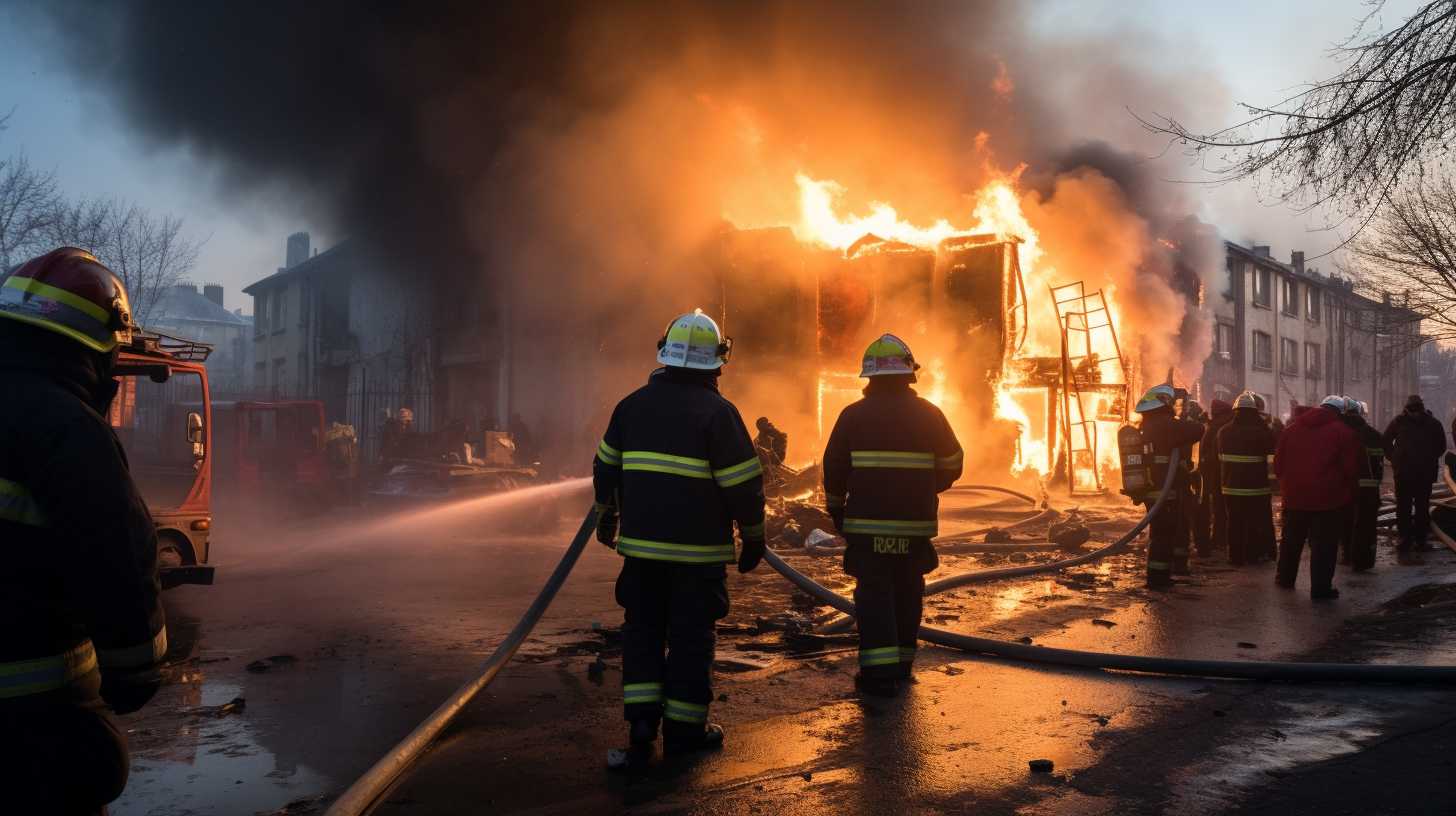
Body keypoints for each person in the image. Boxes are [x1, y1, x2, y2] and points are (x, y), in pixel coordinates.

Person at [0, 247, 168, 813]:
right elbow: (118, 554)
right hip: (32, 735)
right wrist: (135, 673)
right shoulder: (68, 429)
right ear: (97, 354)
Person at [592, 309, 765, 753]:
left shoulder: (631, 406)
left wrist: (606, 516)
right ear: (717, 362)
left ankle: (642, 727)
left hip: (643, 555)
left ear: (665, 354)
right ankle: (686, 732)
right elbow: (744, 485)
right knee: (691, 638)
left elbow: (604, 467)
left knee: (643, 631)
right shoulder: (720, 414)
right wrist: (754, 534)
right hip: (698, 558)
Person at [823, 334, 962, 695]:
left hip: (866, 528)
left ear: (869, 377)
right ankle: (902, 662)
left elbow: (834, 468)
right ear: (909, 375)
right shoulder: (930, 414)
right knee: (908, 589)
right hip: (914, 524)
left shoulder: (852, 415)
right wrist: (927, 487)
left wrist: (836, 508)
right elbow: (953, 462)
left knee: (873, 592)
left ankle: (876, 670)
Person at [1274, 395, 1362, 599]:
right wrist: (1348, 493)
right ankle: (1320, 589)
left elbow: (1279, 464)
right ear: (1339, 413)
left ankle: (1284, 579)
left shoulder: (1291, 430)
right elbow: (1350, 468)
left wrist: (1289, 485)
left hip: (1294, 497)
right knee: (1324, 545)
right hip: (1328, 500)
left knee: (1291, 541)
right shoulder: (1344, 433)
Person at [1134, 385, 1204, 589]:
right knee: (1163, 534)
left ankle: (1160, 575)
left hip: (1153, 488)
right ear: (1164, 405)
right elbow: (1197, 431)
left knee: (1161, 532)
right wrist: (1192, 419)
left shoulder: (1147, 424)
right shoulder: (1165, 424)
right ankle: (1158, 579)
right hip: (1163, 489)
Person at [1382, 394, 1447, 552]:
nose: (1415, 412)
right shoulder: (1430, 423)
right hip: (1415, 472)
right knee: (1413, 507)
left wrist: (1395, 458)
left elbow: (1385, 441)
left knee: (1412, 507)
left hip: (1412, 473)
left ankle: (1412, 539)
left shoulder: (1403, 422)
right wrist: (1395, 458)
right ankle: (1413, 540)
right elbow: (1442, 446)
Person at [1216, 393, 1274, 566]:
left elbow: (1220, 457)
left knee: (1234, 522)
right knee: (1255, 522)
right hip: (1258, 488)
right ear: (1254, 411)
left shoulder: (1223, 431)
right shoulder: (1264, 432)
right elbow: (1271, 458)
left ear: (1236, 410)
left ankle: (1235, 557)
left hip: (1231, 487)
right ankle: (1252, 555)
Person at [1340, 398, 1386, 572]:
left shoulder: (1339, 432)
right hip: (1369, 488)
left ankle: (1346, 555)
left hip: (1344, 486)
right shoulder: (1373, 434)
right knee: (1365, 525)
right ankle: (1362, 560)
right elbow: (1379, 463)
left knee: (1345, 521)